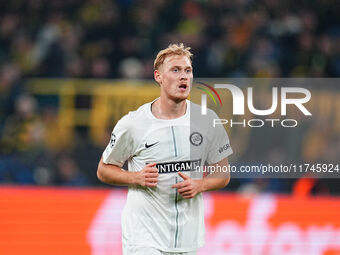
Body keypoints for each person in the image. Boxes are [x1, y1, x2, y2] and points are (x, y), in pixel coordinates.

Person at [97, 43, 233, 255]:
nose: (184, 77)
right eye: (175, 70)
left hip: (187, 239)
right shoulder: (134, 123)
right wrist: (135, 177)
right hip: (143, 237)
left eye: (188, 70)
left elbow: (223, 174)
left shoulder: (208, 121)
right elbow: (104, 170)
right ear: (158, 76)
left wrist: (201, 184)